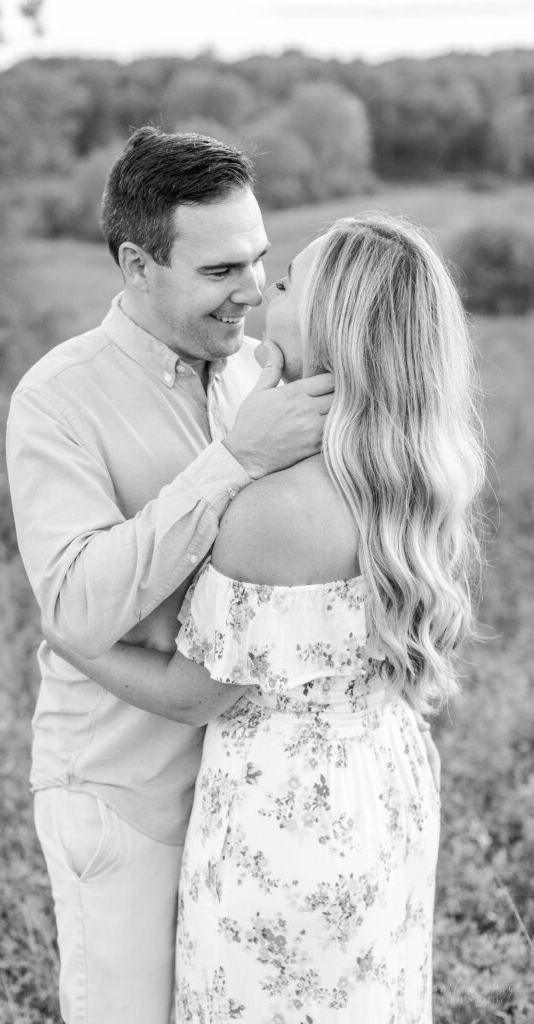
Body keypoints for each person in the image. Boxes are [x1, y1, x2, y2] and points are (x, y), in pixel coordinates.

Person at [55, 213, 485, 1022]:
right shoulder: (414, 469)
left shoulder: (273, 508)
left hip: (284, 814)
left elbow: (196, 692)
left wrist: (73, 637)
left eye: (285, 282)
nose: (259, 293)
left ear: (330, 325)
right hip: (383, 784)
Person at [5, 126, 336, 1024]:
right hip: (126, 795)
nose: (254, 291)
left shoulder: (254, 378)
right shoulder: (57, 397)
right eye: (221, 270)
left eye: (260, 261)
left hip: (251, 799)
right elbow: (74, 604)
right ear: (136, 263)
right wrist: (232, 462)